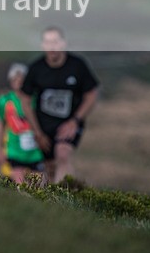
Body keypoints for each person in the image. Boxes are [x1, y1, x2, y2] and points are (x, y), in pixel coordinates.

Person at [18, 26, 99, 183]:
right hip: (43, 125)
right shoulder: (36, 68)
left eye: (55, 42)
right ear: (43, 46)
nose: (52, 47)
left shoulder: (77, 65)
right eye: (48, 43)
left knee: (62, 153)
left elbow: (91, 94)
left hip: (69, 123)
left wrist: (75, 121)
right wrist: (37, 132)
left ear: (63, 44)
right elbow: (25, 100)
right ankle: (54, 200)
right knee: (49, 166)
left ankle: (62, 197)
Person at [0, 63, 44, 183]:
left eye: (21, 79)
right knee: (20, 186)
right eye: (15, 79)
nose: (18, 82)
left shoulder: (35, 99)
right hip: (14, 151)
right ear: (11, 81)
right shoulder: (5, 101)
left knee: (39, 187)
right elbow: (0, 125)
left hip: (35, 151)